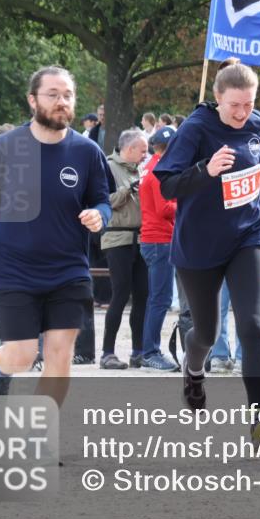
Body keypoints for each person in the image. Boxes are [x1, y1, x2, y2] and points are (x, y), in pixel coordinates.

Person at [0, 66, 111, 402]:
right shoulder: (5, 147)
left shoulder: (87, 152)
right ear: (32, 100)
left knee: (60, 354)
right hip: (14, 267)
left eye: (67, 95)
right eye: (52, 94)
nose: (61, 102)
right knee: (23, 355)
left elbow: (102, 199)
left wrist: (100, 215)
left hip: (68, 267)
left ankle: (41, 435)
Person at [154, 58, 260, 443]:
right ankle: (193, 369)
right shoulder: (196, 129)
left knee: (253, 325)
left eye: (249, 104)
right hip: (199, 245)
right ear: (217, 98)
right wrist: (205, 171)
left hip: (248, 236)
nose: (244, 113)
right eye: (235, 106)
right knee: (207, 333)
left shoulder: (257, 123)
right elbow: (166, 184)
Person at [97, 129, 149, 369]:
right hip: (117, 238)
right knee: (120, 294)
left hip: (141, 238)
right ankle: (108, 352)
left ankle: (139, 351)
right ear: (129, 150)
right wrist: (129, 189)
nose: (145, 155)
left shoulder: (142, 169)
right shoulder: (106, 167)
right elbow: (104, 201)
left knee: (142, 296)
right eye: (143, 150)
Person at [138, 126, 179, 371]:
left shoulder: (150, 167)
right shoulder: (158, 171)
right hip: (160, 240)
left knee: (157, 298)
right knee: (160, 299)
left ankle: (147, 351)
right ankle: (150, 352)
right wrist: (184, 201)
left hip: (155, 240)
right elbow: (164, 209)